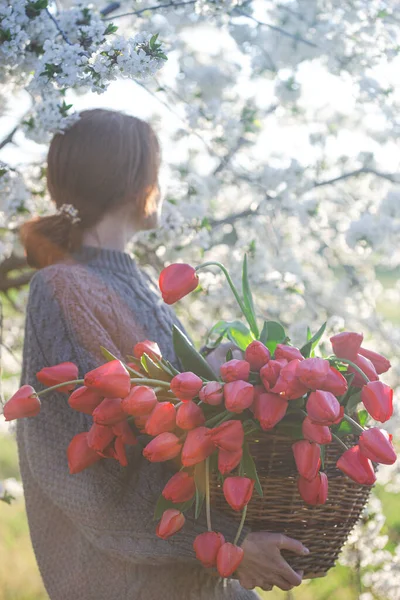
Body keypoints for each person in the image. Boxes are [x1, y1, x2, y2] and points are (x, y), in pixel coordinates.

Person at [17, 108, 307, 600]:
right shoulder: (62, 288)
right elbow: (83, 474)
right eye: (157, 168)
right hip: (128, 583)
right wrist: (225, 545)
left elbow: (172, 425)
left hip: (191, 575)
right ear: (136, 183)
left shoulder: (140, 285)